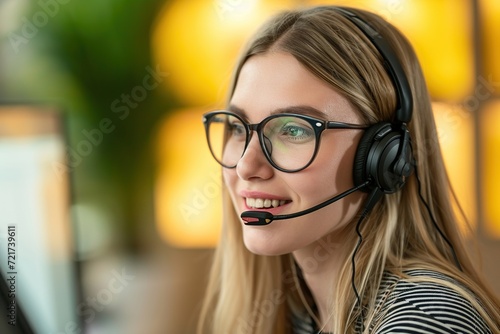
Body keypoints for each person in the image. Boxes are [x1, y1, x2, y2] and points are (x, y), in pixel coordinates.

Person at [197, 5, 500, 334]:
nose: (246, 165)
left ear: (383, 156)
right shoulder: (299, 314)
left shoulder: (426, 321)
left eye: (293, 129)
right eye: (238, 127)